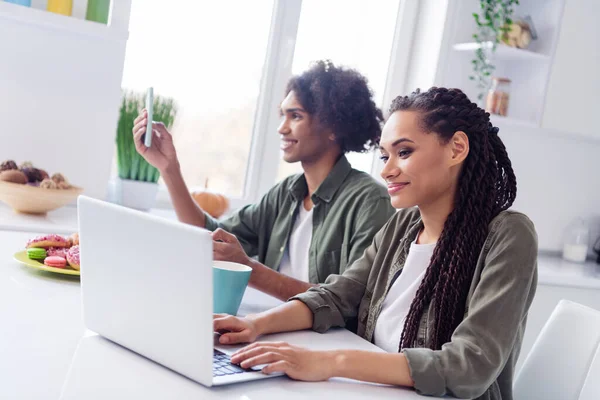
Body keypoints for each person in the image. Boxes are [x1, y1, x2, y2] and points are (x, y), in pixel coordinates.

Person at [213, 87, 538, 399]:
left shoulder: (508, 235)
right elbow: (336, 297)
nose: (388, 171)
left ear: (456, 149)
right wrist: (253, 326)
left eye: (405, 152)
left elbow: (469, 366)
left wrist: (330, 362)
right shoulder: (402, 226)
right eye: (385, 156)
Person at [132, 60, 396, 301]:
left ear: (333, 127)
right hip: (268, 326)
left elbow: (350, 301)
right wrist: (169, 168)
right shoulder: (286, 193)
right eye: (283, 115)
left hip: (321, 341)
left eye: (296, 116)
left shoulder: (370, 200)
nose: (282, 127)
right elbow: (212, 240)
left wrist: (249, 267)